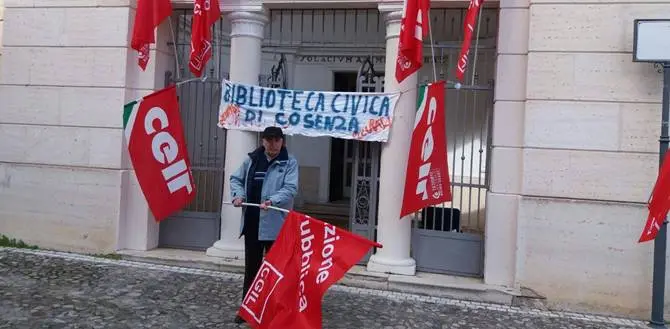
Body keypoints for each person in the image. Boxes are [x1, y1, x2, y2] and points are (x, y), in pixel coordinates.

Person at [230, 126, 299, 324]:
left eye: (277, 140)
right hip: (252, 223)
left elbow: (290, 188)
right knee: (252, 268)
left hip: (275, 226)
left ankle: (277, 309)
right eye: (269, 140)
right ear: (262, 141)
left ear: (282, 141)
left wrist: (272, 200)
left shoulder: (289, 162)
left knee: (276, 270)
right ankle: (247, 310)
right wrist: (238, 195)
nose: (273, 144)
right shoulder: (251, 159)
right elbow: (236, 179)